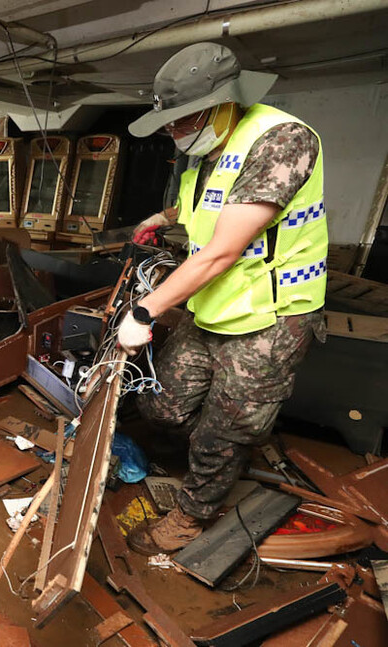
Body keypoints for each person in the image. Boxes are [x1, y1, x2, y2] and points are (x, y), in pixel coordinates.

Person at [119, 43, 327, 555]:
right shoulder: (208, 157)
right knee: (162, 404)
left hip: (271, 315)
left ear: (224, 102)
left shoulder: (282, 140)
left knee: (223, 428)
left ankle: (193, 512)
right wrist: (160, 219)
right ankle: (223, 447)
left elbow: (223, 250)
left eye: (181, 120)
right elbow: (207, 207)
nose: (174, 131)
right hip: (217, 305)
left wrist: (145, 310)